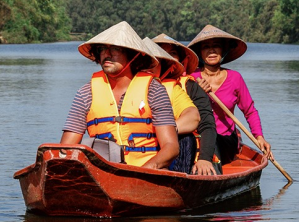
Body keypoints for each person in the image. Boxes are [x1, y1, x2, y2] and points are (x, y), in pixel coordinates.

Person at [60, 21, 178, 169]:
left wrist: (144, 171)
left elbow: (171, 146)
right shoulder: (86, 93)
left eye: (115, 49)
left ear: (133, 56)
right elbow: (65, 148)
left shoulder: (154, 90)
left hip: (147, 171)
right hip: (101, 173)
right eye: (102, 49)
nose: (107, 54)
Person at [187, 24, 271, 166]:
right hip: (197, 137)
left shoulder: (235, 78)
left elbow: (250, 111)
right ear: (200, 52)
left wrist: (259, 137)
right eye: (206, 46)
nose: (212, 50)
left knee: (213, 142)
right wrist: (196, 90)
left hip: (224, 140)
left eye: (216, 46)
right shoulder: (190, 78)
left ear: (223, 50)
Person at [145, 36, 217, 176]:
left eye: (172, 53)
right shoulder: (130, 85)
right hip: (142, 148)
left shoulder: (189, 86)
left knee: (185, 138)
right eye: (158, 53)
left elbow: (206, 124)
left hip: (181, 149)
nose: (163, 57)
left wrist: (204, 158)